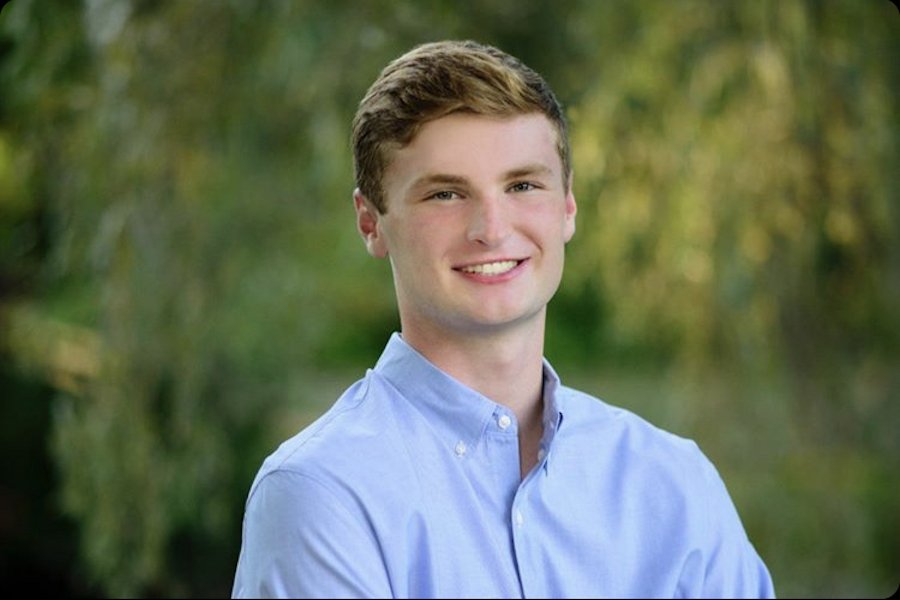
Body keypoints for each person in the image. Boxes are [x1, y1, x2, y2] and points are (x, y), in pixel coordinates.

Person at [232, 40, 775, 599]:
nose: (492, 229)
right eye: (445, 194)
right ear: (370, 223)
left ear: (567, 206)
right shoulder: (322, 494)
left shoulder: (673, 484)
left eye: (522, 185)